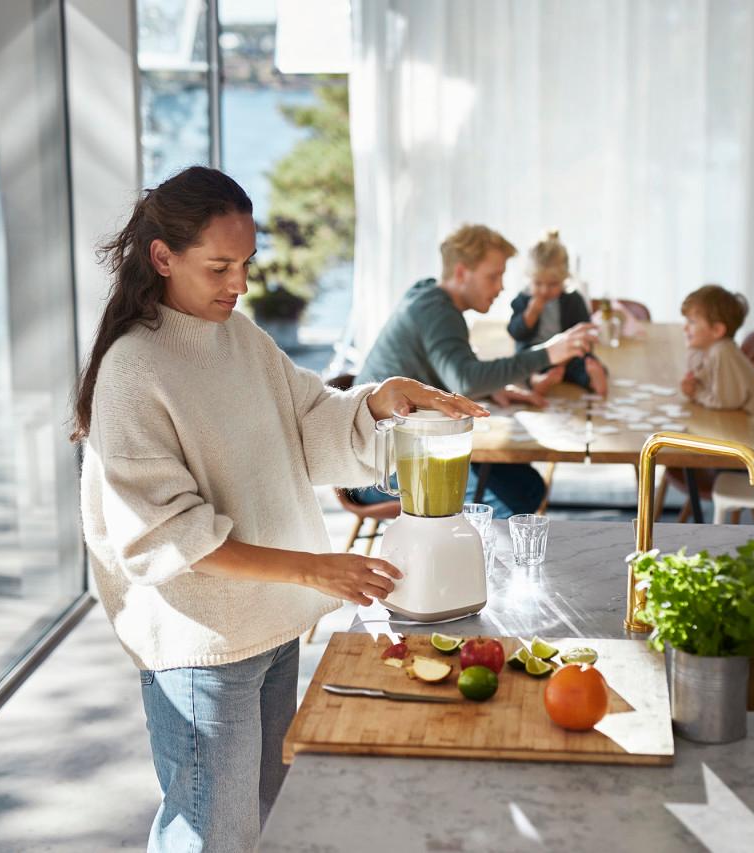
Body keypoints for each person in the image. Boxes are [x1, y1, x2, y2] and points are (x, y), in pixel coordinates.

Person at [72, 166, 485, 852]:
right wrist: (313, 569)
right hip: (203, 644)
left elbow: (310, 420)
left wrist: (385, 397)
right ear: (162, 257)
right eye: (219, 266)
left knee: (261, 815)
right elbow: (168, 536)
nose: (238, 284)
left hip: (269, 626)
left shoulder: (241, 338)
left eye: (246, 264)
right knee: (211, 829)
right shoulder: (133, 369)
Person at [355, 224, 596, 517]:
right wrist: (548, 353)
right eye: (493, 276)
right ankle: (473, 558)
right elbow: (466, 380)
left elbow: (451, 367)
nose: (501, 287)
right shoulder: (437, 311)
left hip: (402, 448)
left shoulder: (429, 297)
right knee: (517, 497)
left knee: (524, 483)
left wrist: (493, 387)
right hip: (381, 469)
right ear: (460, 273)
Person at [679, 284, 754, 472]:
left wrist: (696, 393)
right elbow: (700, 372)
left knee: (703, 445)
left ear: (717, 330)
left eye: (692, 322)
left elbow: (724, 401)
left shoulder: (722, 352)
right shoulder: (712, 348)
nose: (685, 327)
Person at [507, 230, 608, 396]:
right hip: (534, 353)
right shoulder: (524, 299)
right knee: (519, 364)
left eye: (552, 284)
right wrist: (531, 313)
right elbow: (515, 332)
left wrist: (567, 356)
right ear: (529, 279)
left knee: (585, 363)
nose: (545, 290)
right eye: (538, 283)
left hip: (568, 353)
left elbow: (584, 331)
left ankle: (593, 379)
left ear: (564, 279)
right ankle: (538, 381)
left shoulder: (573, 299)